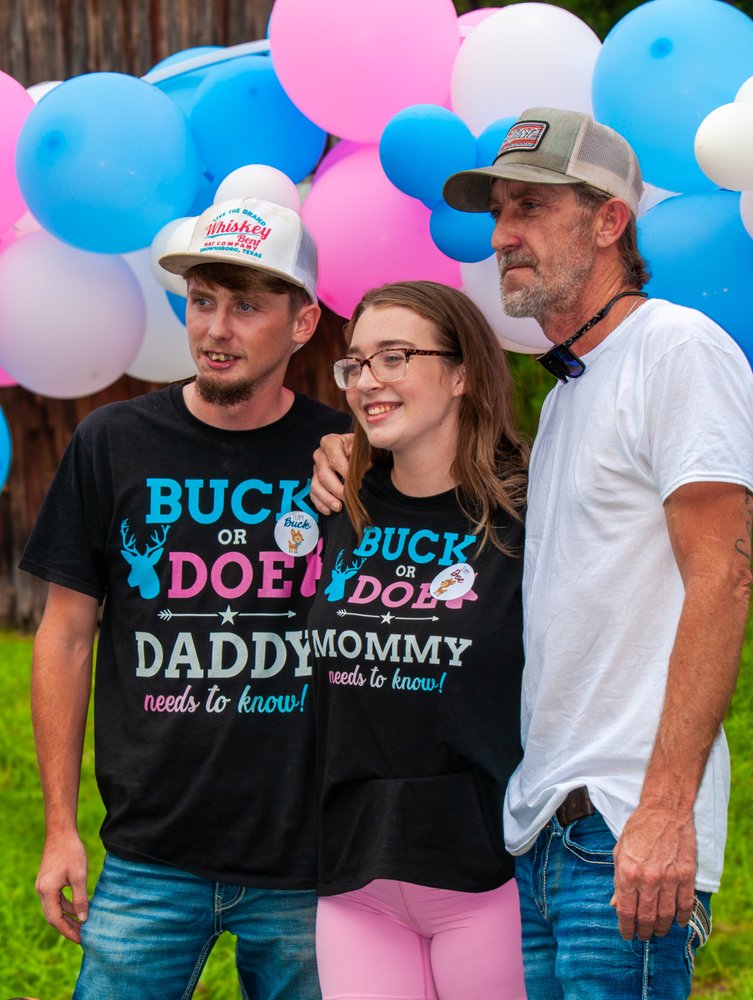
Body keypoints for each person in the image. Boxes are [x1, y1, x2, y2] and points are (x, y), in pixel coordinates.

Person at [311, 108, 753, 999]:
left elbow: (726, 576)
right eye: (498, 212)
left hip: (621, 828)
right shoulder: (566, 397)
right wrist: (356, 449)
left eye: (531, 207)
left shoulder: (674, 348)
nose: (502, 235)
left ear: (609, 220)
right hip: (543, 833)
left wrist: (663, 811)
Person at [20, 196, 351, 999]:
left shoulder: (347, 454)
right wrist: (61, 829)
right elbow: (65, 635)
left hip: (305, 855)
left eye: (246, 307)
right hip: (151, 854)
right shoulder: (113, 442)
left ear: (303, 323)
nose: (215, 330)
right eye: (202, 301)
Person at [309, 280, 528, 1000]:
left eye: (394, 357)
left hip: (488, 877)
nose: (367, 380)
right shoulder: (340, 504)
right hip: (356, 876)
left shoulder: (530, 513)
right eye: (355, 363)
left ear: (462, 373)